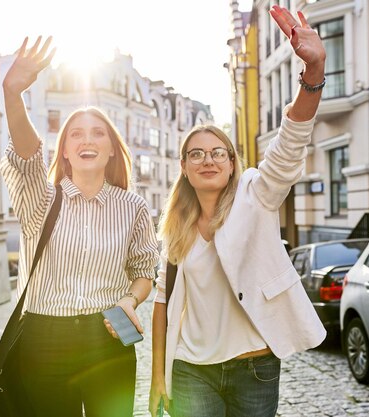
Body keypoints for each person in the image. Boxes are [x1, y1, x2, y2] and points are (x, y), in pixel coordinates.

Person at [149, 5, 327, 417]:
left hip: (255, 364)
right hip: (192, 368)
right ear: (185, 168)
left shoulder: (255, 195)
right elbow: (162, 302)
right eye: (196, 154)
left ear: (232, 163)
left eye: (217, 153)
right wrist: (158, 376)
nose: (207, 160)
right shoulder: (175, 227)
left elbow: (288, 147)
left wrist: (313, 72)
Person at [0, 35, 158, 417]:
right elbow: (26, 154)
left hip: (109, 334)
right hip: (44, 339)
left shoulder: (133, 207)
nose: (88, 139)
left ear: (110, 148)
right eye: (76, 133)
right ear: (65, 150)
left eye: (98, 133)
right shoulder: (41, 199)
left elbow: (144, 272)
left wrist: (130, 299)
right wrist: (12, 93)